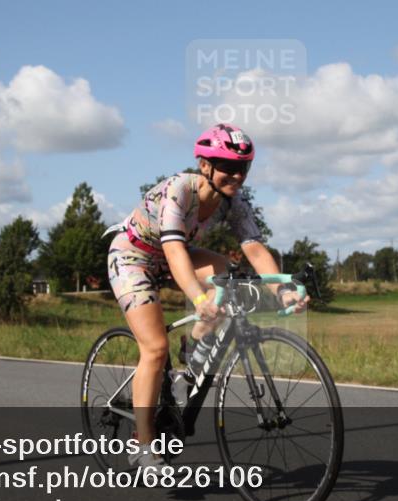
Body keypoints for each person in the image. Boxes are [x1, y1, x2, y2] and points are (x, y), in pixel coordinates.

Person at [105, 124, 309, 468]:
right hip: (133, 255)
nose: (237, 175)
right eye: (228, 166)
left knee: (227, 275)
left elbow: (255, 250)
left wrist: (284, 289)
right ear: (204, 165)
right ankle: (142, 446)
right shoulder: (179, 190)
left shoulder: (235, 202)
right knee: (154, 348)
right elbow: (173, 252)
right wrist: (200, 301)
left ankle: (191, 355)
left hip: (177, 253)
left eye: (243, 167)